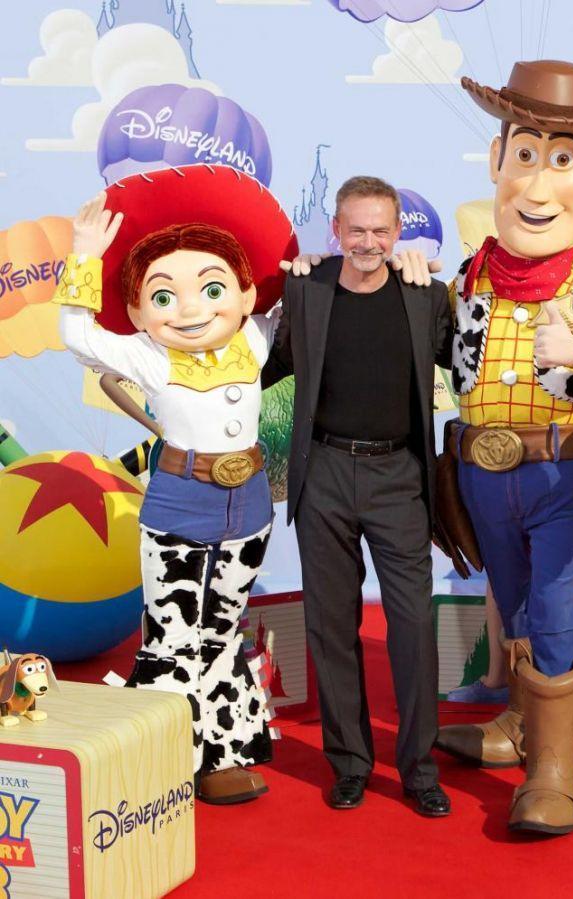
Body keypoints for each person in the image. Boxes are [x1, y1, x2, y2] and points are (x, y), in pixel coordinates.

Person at [432, 60, 573, 836]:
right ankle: (523, 725)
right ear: (497, 160)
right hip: (481, 470)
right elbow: (438, 346)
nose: (535, 183)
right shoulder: (471, 277)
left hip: (561, 465)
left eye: (561, 160)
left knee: (554, 596)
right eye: (524, 154)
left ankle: (554, 772)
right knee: (514, 594)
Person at [54, 166, 296, 804]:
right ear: (138, 310)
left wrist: (311, 268)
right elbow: (76, 335)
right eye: (164, 297)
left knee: (221, 630)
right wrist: (84, 257)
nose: (191, 309)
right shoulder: (146, 354)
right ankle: (163, 759)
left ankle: (223, 755)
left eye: (212, 288)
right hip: (179, 504)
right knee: (172, 633)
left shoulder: (256, 336)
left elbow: (299, 299)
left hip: (248, 506)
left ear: (245, 293)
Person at [262, 176, 454, 817]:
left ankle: (419, 770)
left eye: (380, 230)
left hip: (399, 476)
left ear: (397, 233)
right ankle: (349, 764)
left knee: (413, 625)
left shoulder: (427, 295)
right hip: (323, 474)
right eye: (356, 230)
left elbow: (469, 362)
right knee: (331, 625)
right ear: (336, 231)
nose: (368, 242)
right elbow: (263, 365)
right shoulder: (306, 288)